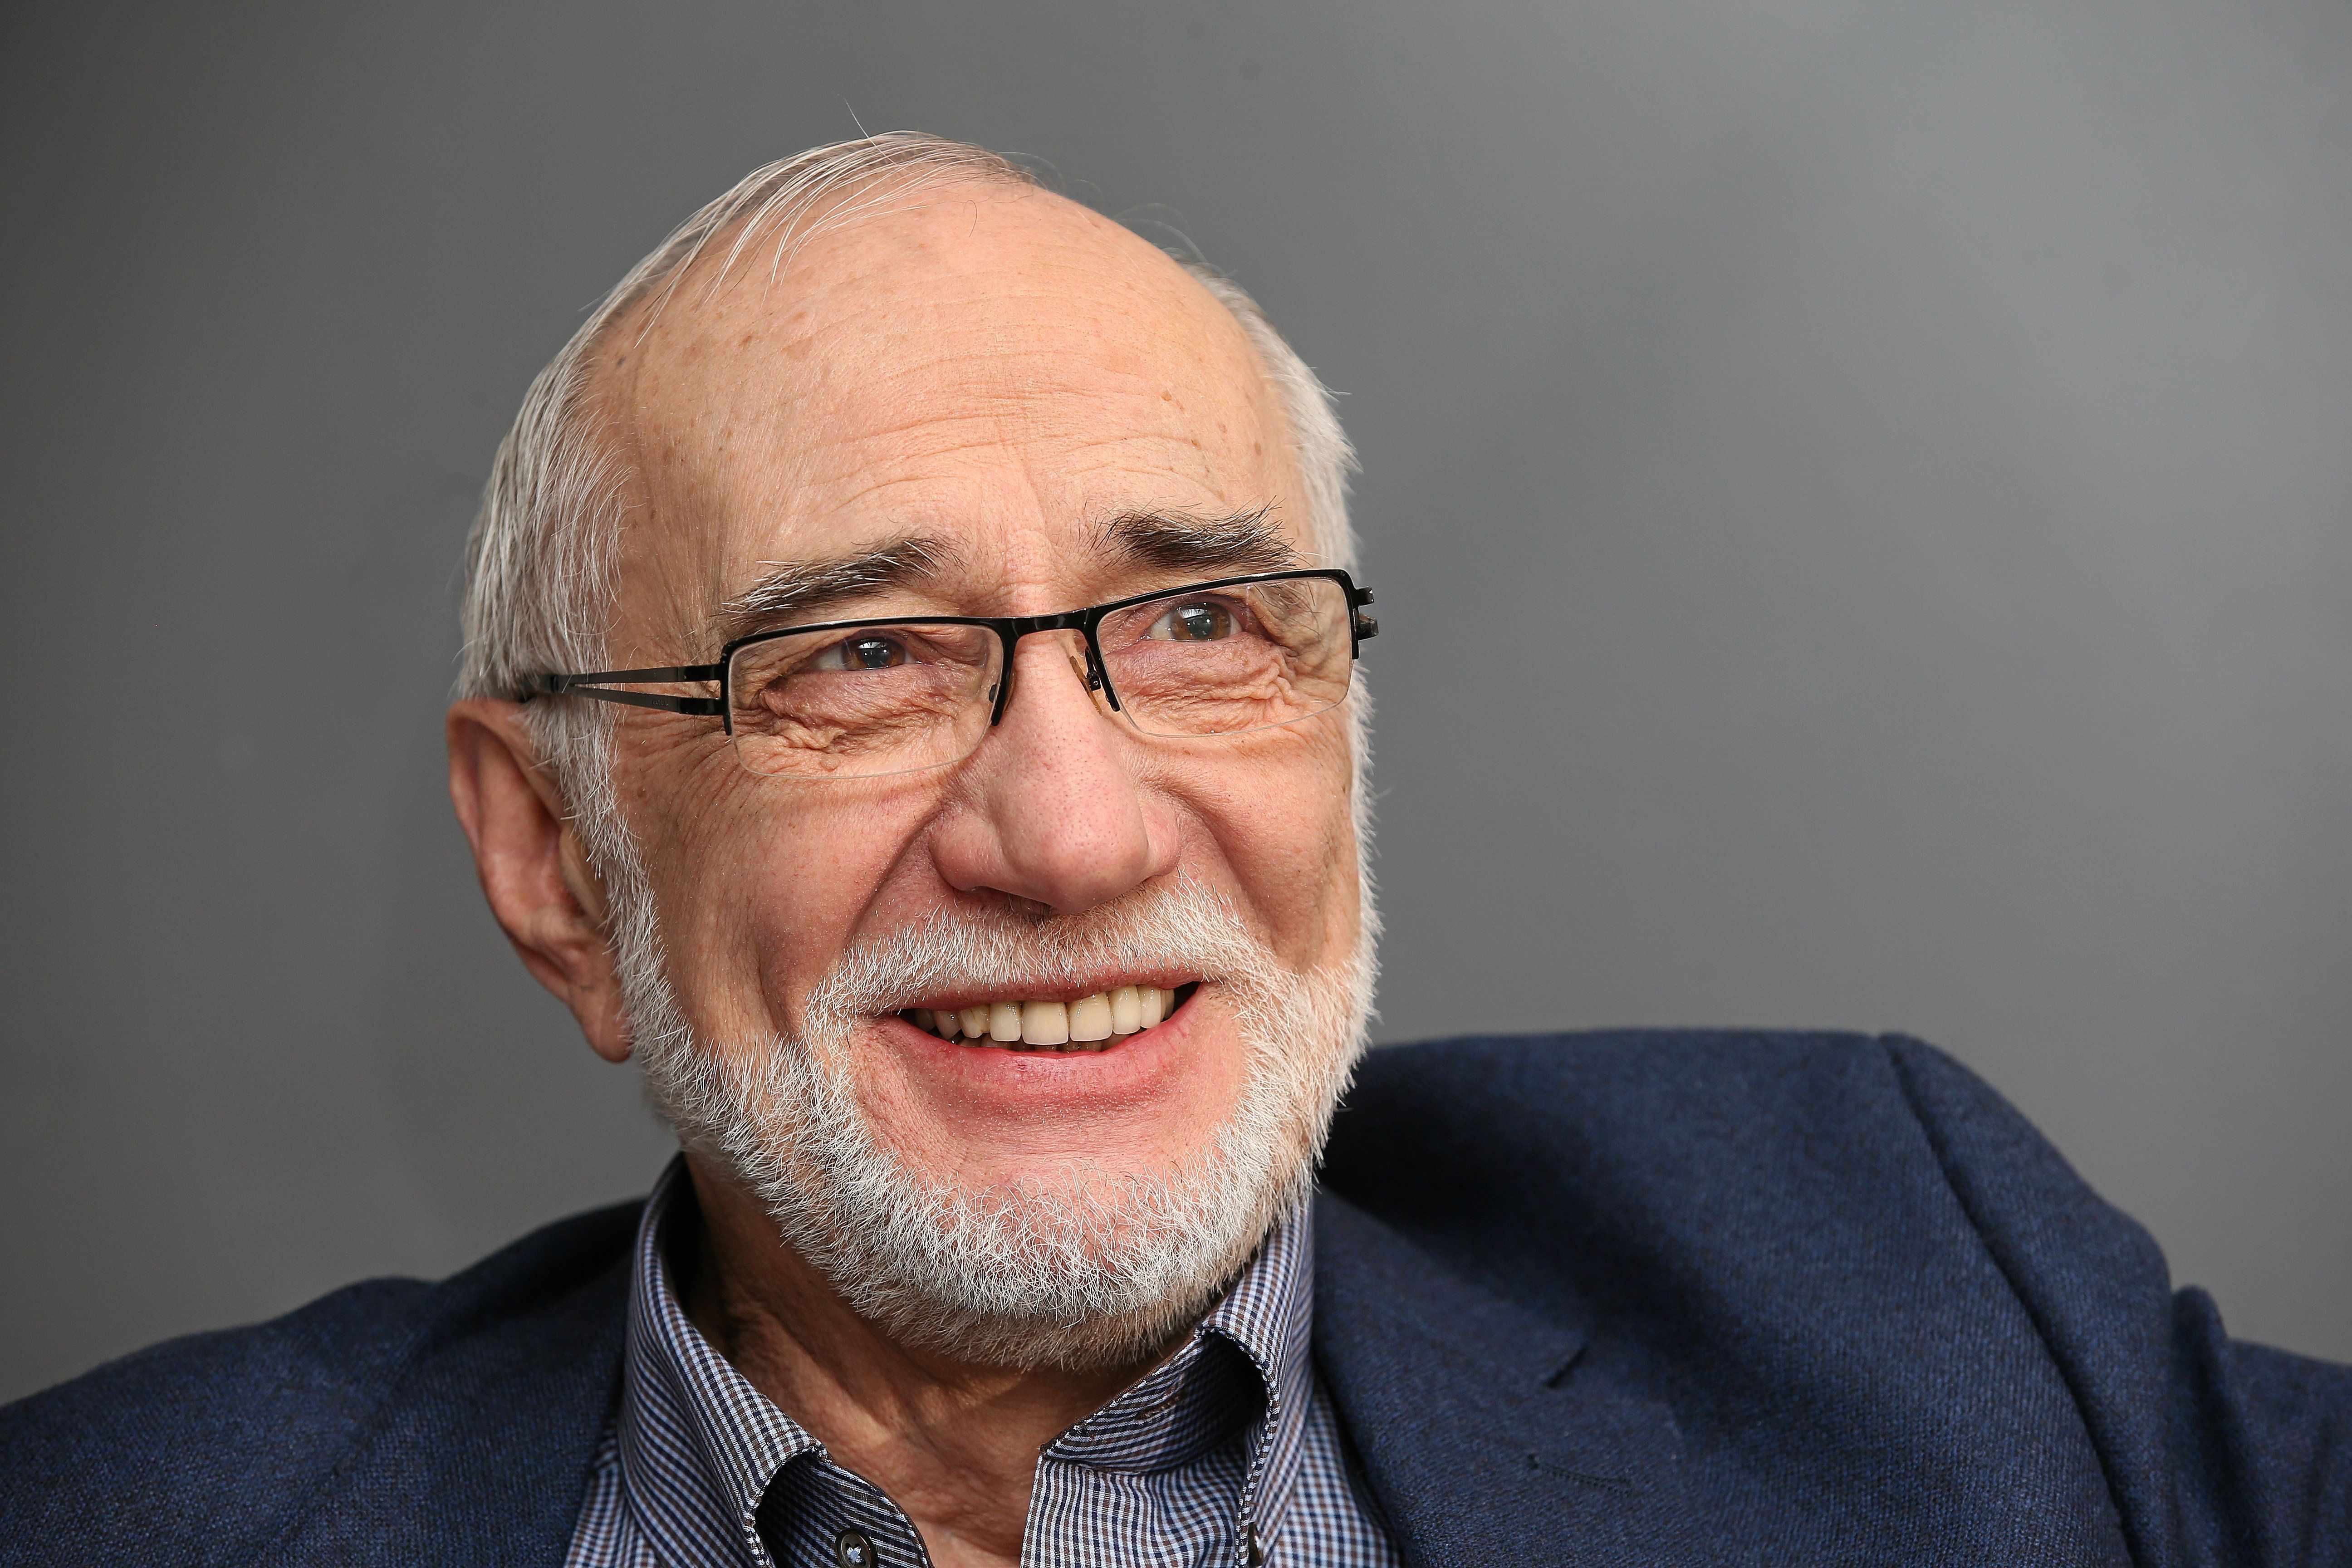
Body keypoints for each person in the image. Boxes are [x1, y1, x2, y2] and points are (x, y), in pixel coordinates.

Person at [2, 132, 2345, 1567]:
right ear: (553, 858)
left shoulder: (1910, 1292)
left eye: (1204, 624)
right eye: (860, 659)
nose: (1074, 829)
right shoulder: (113, 1526)